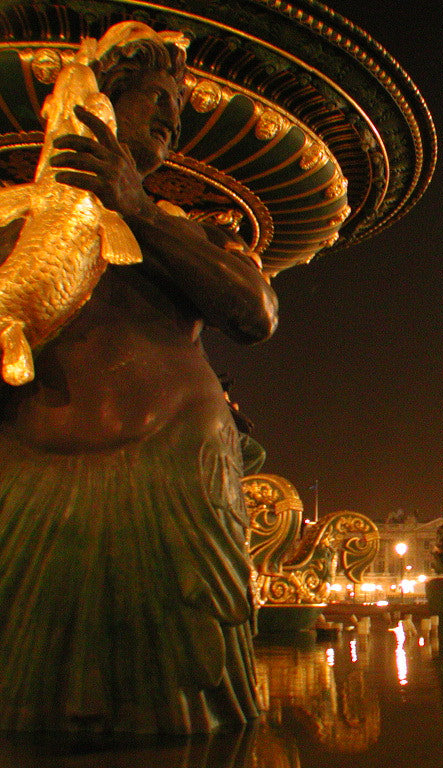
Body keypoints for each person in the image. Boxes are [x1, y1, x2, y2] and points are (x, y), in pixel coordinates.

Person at [0, 24, 278, 734]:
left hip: (175, 486)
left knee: (189, 711)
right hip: (34, 496)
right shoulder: (11, 219)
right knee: (27, 709)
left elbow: (254, 313)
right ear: (98, 99)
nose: (171, 121)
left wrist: (140, 209)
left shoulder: (184, 228)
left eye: (178, 113)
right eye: (156, 98)